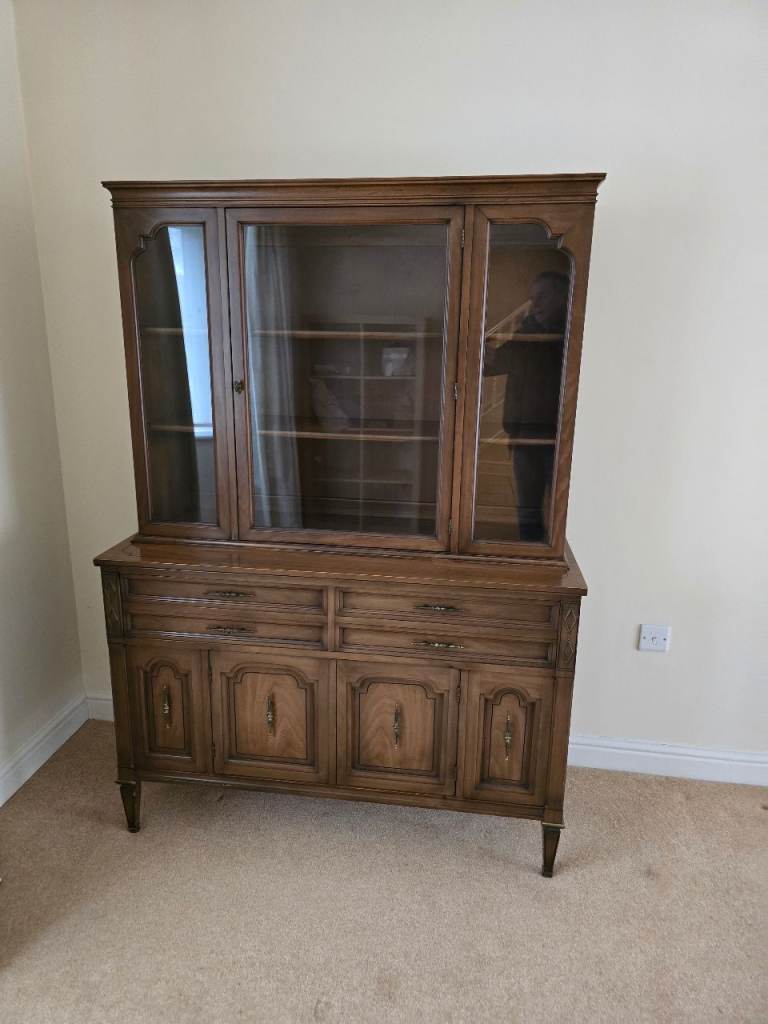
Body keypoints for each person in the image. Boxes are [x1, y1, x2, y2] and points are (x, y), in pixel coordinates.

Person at [483, 271, 569, 541]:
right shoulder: (528, 331)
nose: (535, 304)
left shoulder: (570, 333)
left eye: (543, 296)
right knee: (528, 509)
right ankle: (529, 554)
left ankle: (552, 558)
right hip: (523, 436)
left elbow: (547, 366)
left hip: (558, 439)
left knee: (562, 512)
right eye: (532, 298)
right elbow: (497, 363)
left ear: (563, 296)